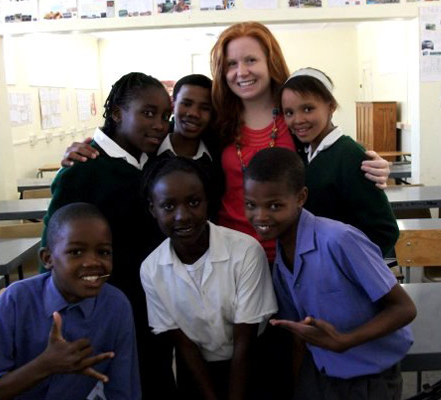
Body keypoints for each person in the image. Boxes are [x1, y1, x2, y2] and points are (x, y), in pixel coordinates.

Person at [42, 72, 176, 398]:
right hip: (102, 307)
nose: (160, 124)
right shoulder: (84, 168)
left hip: (150, 305)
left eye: (164, 116)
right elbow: (53, 246)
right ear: (117, 113)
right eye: (148, 113)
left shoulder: (151, 161)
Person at [243, 148, 417, 400]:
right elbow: (298, 336)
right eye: (251, 205)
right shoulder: (281, 255)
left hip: (368, 379)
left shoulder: (340, 240)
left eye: (274, 205)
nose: (260, 216)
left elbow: (404, 308)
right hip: (321, 372)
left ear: (301, 197)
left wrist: (345, 340)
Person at [210, 21, 392, 261]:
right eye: (232, 64)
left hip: (294, 255)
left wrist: (371, 164)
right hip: (231, 255)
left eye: (251, 60)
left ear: (270, 62)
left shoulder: (295, 118)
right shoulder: (217, 121)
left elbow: (333, 153)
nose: (241, 72)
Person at [0, 203, 140, 400]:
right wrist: (44, 366)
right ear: (48, 258)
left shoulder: (116, 306)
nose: (93, 262)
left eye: (103, 252)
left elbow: (124, 390)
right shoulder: (15, 301)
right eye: (76, 252)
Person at [140, 157, 277, 400]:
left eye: (193, 202)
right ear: (153, 209)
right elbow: (184, 345)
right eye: (169, 207)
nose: (182, 216)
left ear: (207, 202)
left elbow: (244, 343)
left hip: (253, 361)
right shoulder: (151, 269)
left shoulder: (245, 251)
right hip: (198, 370)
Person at [279, 68, 398, 256]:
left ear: (331, 106)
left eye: (308, 109)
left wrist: (344, 267)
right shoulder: (304, 153)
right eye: (289, 112)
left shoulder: (350, 155)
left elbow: (384, 231)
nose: (298, 120)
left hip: (340, 275)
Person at [157, 73, 224, 219]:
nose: (194, 113)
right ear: (173, 104)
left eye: (205, 108)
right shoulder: (150, 147)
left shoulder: (218, 157)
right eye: (186, 104)